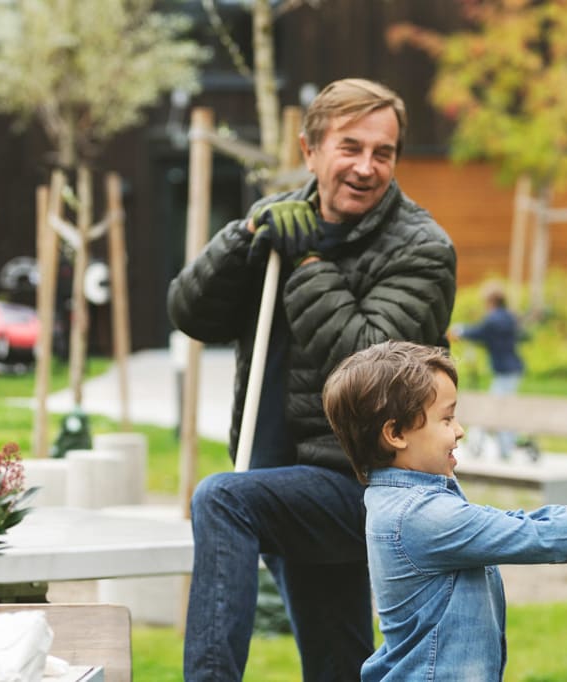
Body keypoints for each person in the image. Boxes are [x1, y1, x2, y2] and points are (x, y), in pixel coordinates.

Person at [166, 78, 457, 681]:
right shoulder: (279, 227)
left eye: (384, 153)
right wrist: (243, 237)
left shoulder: (421, 248)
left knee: (222, 499)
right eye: (350, 147)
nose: (366, 167)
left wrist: (307, 265)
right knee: (337, 664)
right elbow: (191, 313)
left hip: (372, 480)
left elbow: (372, 372)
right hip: (285, 469)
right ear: (310, 151)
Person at [322, 340, 567, 680]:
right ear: (396, 434)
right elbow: (536, 536)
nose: (460, 430)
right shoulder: (419, 516)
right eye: (447, 419)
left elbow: (525, 522)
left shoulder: (412, 500)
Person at [449, 281, 526, 459]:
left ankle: (503, 447)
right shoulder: (507, 316)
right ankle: (504, 446)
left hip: (506, 370)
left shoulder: (495, 319)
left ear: (491, 301)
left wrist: (460, 331)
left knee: (497, 408)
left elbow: (480, 332)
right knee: (502, 407)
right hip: (510, 369)